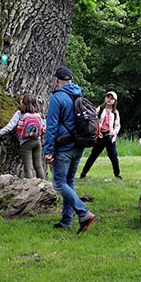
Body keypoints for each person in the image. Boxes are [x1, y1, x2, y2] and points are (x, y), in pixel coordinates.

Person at [43, 66, 96, 233]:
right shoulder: (80, 95)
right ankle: (66, 221)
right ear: (71, 80)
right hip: (79, 145)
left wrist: (48, 150)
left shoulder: (57, 98)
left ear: (57, 80)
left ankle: (83, 212)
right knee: (69, 182)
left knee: (59, 183)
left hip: (64, 147)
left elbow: (51, 127)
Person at [0, 93, 46, 180]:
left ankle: (30, 189)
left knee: (28, 167)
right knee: (38, 166)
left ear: (24, 103)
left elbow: (9, 127)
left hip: (25, 143)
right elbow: (43, 127)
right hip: (37, 142)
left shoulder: (19, 114)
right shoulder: (37, 115)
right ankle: (44, 186)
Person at [80, 91, 121, 179]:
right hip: (100, 135)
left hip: (110, 136)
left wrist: (114, 133)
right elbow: (94, 121)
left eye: (111, 98)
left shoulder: (115, 112)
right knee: (94, 155)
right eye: (108, 97)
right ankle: (83, 173)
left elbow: (117, 125)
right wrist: (97, 132)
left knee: (113, 156)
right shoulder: (100, 109)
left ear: (114, 101)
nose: (109, 100)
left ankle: (117, 174)